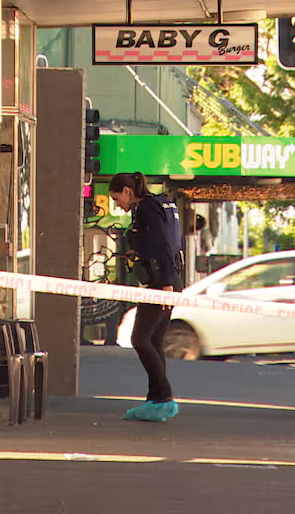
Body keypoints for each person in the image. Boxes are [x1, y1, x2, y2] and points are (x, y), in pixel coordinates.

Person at [109, 172, 184, 422]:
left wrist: (163, 284)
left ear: (128, 191)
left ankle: (163, 397)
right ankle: (156, 400)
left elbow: (162, 244)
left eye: (116, 197)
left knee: (140, 338)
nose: (116, 204)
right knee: (155, 340)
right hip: (172, 278)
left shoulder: (145, 209)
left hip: (162, 282)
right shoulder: (162, 204)